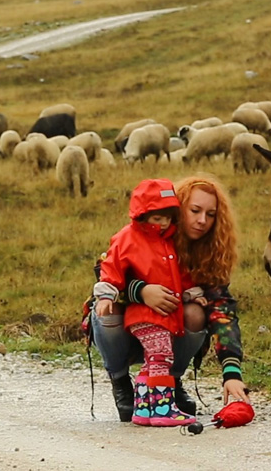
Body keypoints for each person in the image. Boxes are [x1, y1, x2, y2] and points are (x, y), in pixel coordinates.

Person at [90, 173, 249, 422]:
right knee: (106, 311)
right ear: (177, 207)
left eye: (210, 215)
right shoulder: (147, 232)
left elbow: (222, 309)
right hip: (133, 323)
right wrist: (141, 291)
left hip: (170, 324)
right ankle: (120, 380)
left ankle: (170, 382)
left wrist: (231, 371)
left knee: (196, 312)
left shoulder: (209, 252)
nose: (202, 221)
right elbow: (105, 271)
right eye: (195, 210)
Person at [94, 177, 200, 427]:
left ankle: (143, 409)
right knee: (161, 355)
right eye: (156, 217)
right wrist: (106, 295)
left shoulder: (168, 241)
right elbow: (111, 268)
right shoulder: (127, 238)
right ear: (142, 214)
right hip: (145, 314)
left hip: (164, 314)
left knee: (154, 360)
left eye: (167, 216)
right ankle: (163, 409)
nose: (163, 223)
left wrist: (190, 292)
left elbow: (177, 276)